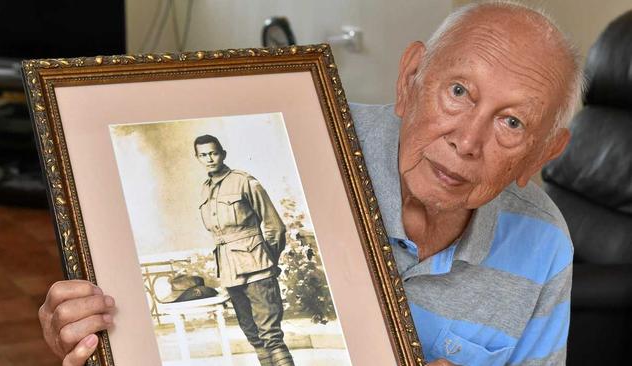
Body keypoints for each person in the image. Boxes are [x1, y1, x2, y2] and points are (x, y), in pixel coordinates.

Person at [37, 2, 581, 365]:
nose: (468, 140)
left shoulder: (543, 246)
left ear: (542, 153)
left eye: (512, 123)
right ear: (410, 79)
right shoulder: (310, 141)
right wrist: (93, 335)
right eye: (459, 92)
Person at [194, 134, 293, 366]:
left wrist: (268, 260)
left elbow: (274, 226)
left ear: (223, 153)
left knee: (271, 337)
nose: (210, 158)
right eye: (203, 155)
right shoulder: (205, 190)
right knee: (254, 337)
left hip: (257, 268)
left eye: (214, 152)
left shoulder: (244, 181)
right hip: (230, 272)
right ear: (198, 158)